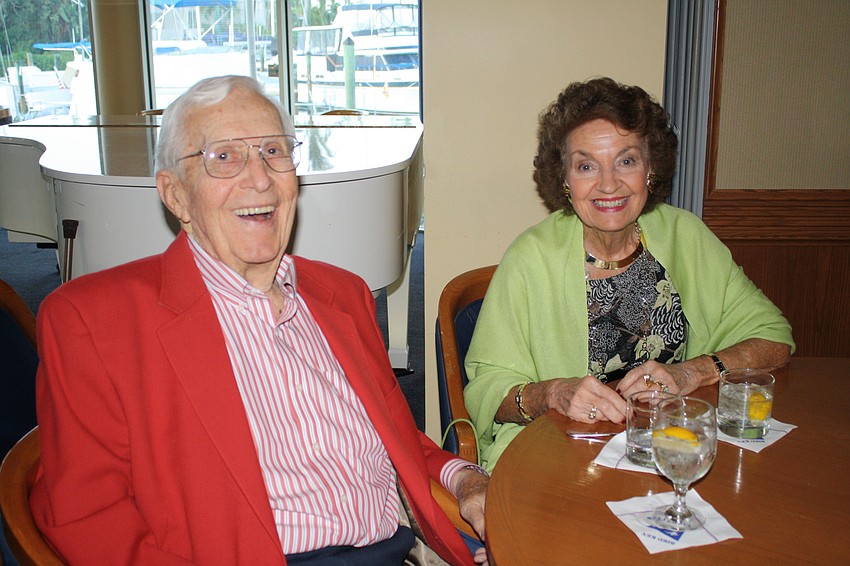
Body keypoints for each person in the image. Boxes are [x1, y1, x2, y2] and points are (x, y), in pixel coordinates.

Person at [30, 75, 488, 565]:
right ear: (176, 195)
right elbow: (86, 517)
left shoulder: (342, 294)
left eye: (274, 150)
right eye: (224, 157)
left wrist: (465, 479)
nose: (260, 178)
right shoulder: (93, 321)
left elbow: (391, 439)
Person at [463, 77, 794, 471]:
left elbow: (774, 338)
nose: (608, 184)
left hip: (667, 449)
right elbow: (486, 390)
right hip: (558, 456)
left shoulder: (685, 236)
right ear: (565, 180)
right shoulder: (529, 258)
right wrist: (552, 393)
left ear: (650, 168)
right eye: (586, 165)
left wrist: (690, 373)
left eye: (626, 160)